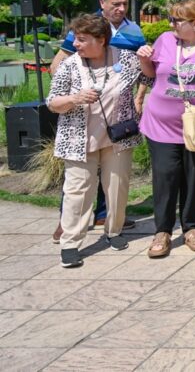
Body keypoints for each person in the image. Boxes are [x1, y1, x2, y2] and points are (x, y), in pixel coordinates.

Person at [47, 14, 149, 268]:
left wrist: (146, 59)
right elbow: (52, 102)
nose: (76, 45)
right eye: (76, 39)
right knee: (77, 191)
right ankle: (70, 243)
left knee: (117, 188)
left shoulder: (124, 59)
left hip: (118, 138)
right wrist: (75, 98)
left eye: (82, 40)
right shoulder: (70, 65)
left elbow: (148, 78)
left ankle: (113, 232)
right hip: (78, 139)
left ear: (101, 40)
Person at [137, 0, 195, 258]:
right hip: (161, 125)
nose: (171, 24)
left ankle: (191, 227)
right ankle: (162, 231)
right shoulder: (165, 40)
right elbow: (152, 73)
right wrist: (143, 61)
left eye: (176, 20)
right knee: (166, 175)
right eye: (171, 19)